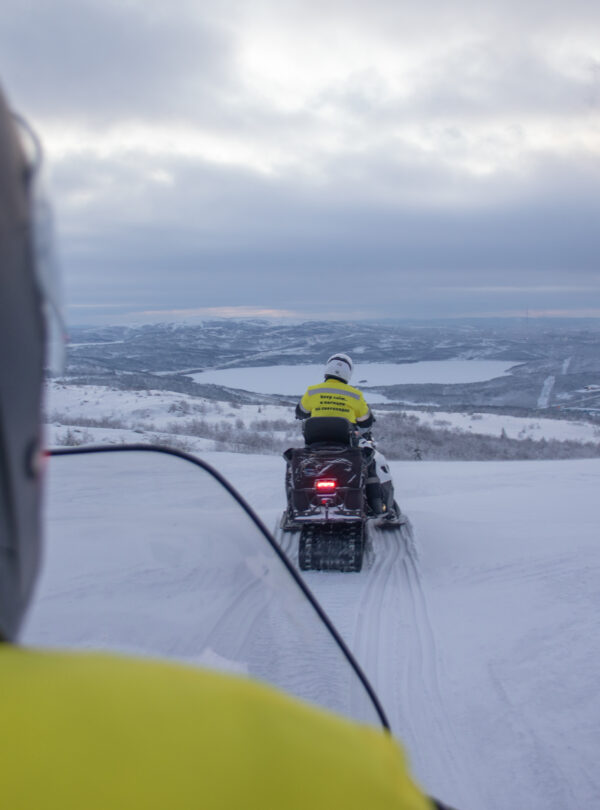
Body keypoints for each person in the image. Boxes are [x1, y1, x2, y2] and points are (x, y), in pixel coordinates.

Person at [0, 83, 451, 809]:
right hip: (349, 461)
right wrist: (359, 438)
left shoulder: (311, 392)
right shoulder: (305, 764)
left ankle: (315, 505)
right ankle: (383, 509)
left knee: (301, 469)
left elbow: (301, 414)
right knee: (378, 470)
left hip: (312, 458)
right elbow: (367, 428)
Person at [296, 353, 398, 517]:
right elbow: (365, 420)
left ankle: (298, 506)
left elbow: (301, 411)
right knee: (369, 466)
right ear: (348, 373)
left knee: (297, 468)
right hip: (346, 447)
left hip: (315, 446)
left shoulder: (313, 391)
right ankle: (378, 508)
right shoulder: (355, 395)